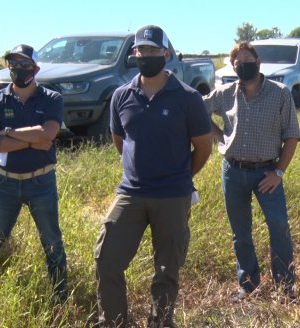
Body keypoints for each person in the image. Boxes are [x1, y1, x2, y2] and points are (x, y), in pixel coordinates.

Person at [94, 25, 212, 328]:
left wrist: (181, 177)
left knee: (166, 268)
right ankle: (114, 322)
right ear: (134, 54)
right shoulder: (121, 96)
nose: (146, 56)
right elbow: (120, 141)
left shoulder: (187, 98)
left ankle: (160, 322)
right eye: (141, 50)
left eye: (152, 50)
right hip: (131, 192)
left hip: (173, 195)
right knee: (107, 259)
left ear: (166, 53)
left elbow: (203, 147)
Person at [203, 41, 300, 302]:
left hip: (267, 172)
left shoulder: (280, 93)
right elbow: (197, 111)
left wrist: (278, 172)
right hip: (233, 171)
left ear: (258, 63)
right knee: (240, 231)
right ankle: (248, 284)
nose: (243, 66)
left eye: (248, 61)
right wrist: (220, 136)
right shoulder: (225, 93)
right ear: (233, 67)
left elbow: (291, 136)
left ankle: (285, 286)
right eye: (237, 63)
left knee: (279, 226)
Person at [0, 44, 68, 302]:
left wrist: (5, 133)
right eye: (13, 64)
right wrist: (31, 140)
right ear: (8, 66)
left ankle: (60, 295)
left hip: (41, 181)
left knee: (51, 240)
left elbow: (48, 134)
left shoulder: (52, 98)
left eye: (24, 65)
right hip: (4, 183)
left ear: (35, 69)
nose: (18, 69)